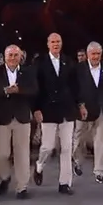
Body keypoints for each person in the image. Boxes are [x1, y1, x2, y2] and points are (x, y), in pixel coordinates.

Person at [0, 45, 37, 199]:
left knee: (22, 154)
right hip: (3, 117)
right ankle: (5, 176)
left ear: (20, 57)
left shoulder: (28, 72)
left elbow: (34, 90)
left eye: (16, 55)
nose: (13, 58)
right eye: (10, 55)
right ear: (4, 56)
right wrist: (5, 91)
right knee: (1, 154)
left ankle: (22, 187)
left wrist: (19, 90)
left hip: (22, 117)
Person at [33, 33, 77, 195]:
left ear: (62, 43)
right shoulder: (40, 63)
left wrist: (80, 105)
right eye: (53, 42)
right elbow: (36, 87)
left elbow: (74, 86)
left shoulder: (69, 62)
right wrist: (36, 108)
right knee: (48, 146)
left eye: (58, 41)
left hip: (67, 110)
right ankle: (39, 165)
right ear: (48, 44)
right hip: (48, 110)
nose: (56, 44)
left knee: (66, 148)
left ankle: (64, 183)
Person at [73, 42, 103, 184]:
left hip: (102, 111)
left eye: (98, 54)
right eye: (93, 54)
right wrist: (80, 105)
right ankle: (77, 162)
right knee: (79, 140)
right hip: (84, 111)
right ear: (87, 55)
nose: (96, 57)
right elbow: (74, 90)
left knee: (101, 142)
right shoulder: (78, 69)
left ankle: (99, 172)